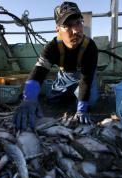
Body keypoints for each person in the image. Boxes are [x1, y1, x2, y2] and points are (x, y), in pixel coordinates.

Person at [13, 1, 98, 130]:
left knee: (90, 102)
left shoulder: (90, 47)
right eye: (68, 25)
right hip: (65, 77)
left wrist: (81, 109)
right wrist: (28, 98)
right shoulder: (52, 47)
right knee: (53, 100)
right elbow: (39, 72)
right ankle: (69, 93)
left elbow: (86, 79)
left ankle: (76, 97)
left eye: (78, 23)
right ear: (57, 29)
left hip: (84, 76)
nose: (76, 30)